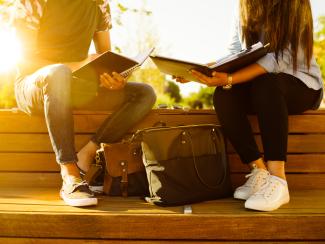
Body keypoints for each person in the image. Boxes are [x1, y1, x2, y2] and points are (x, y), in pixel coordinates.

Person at [175, 0, 323, 211]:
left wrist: (230, 78)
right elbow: (236, 54)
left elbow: (279, 60)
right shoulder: (244, 5)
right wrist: (203, 71)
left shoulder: (295, 3)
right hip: (262, 88)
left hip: (301, 84)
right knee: (224, 94)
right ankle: (260, 171)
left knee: (266, 84)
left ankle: (278, 180)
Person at [13, 0, 156, 207]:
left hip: (73, 85)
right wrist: (77, 65)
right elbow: (25, 61)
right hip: (32, 85)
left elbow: (105, 56)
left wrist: (113, 79)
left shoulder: (100, 3)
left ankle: (87, 155)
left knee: (144, 93)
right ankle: (70, 174)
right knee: (58, 73)